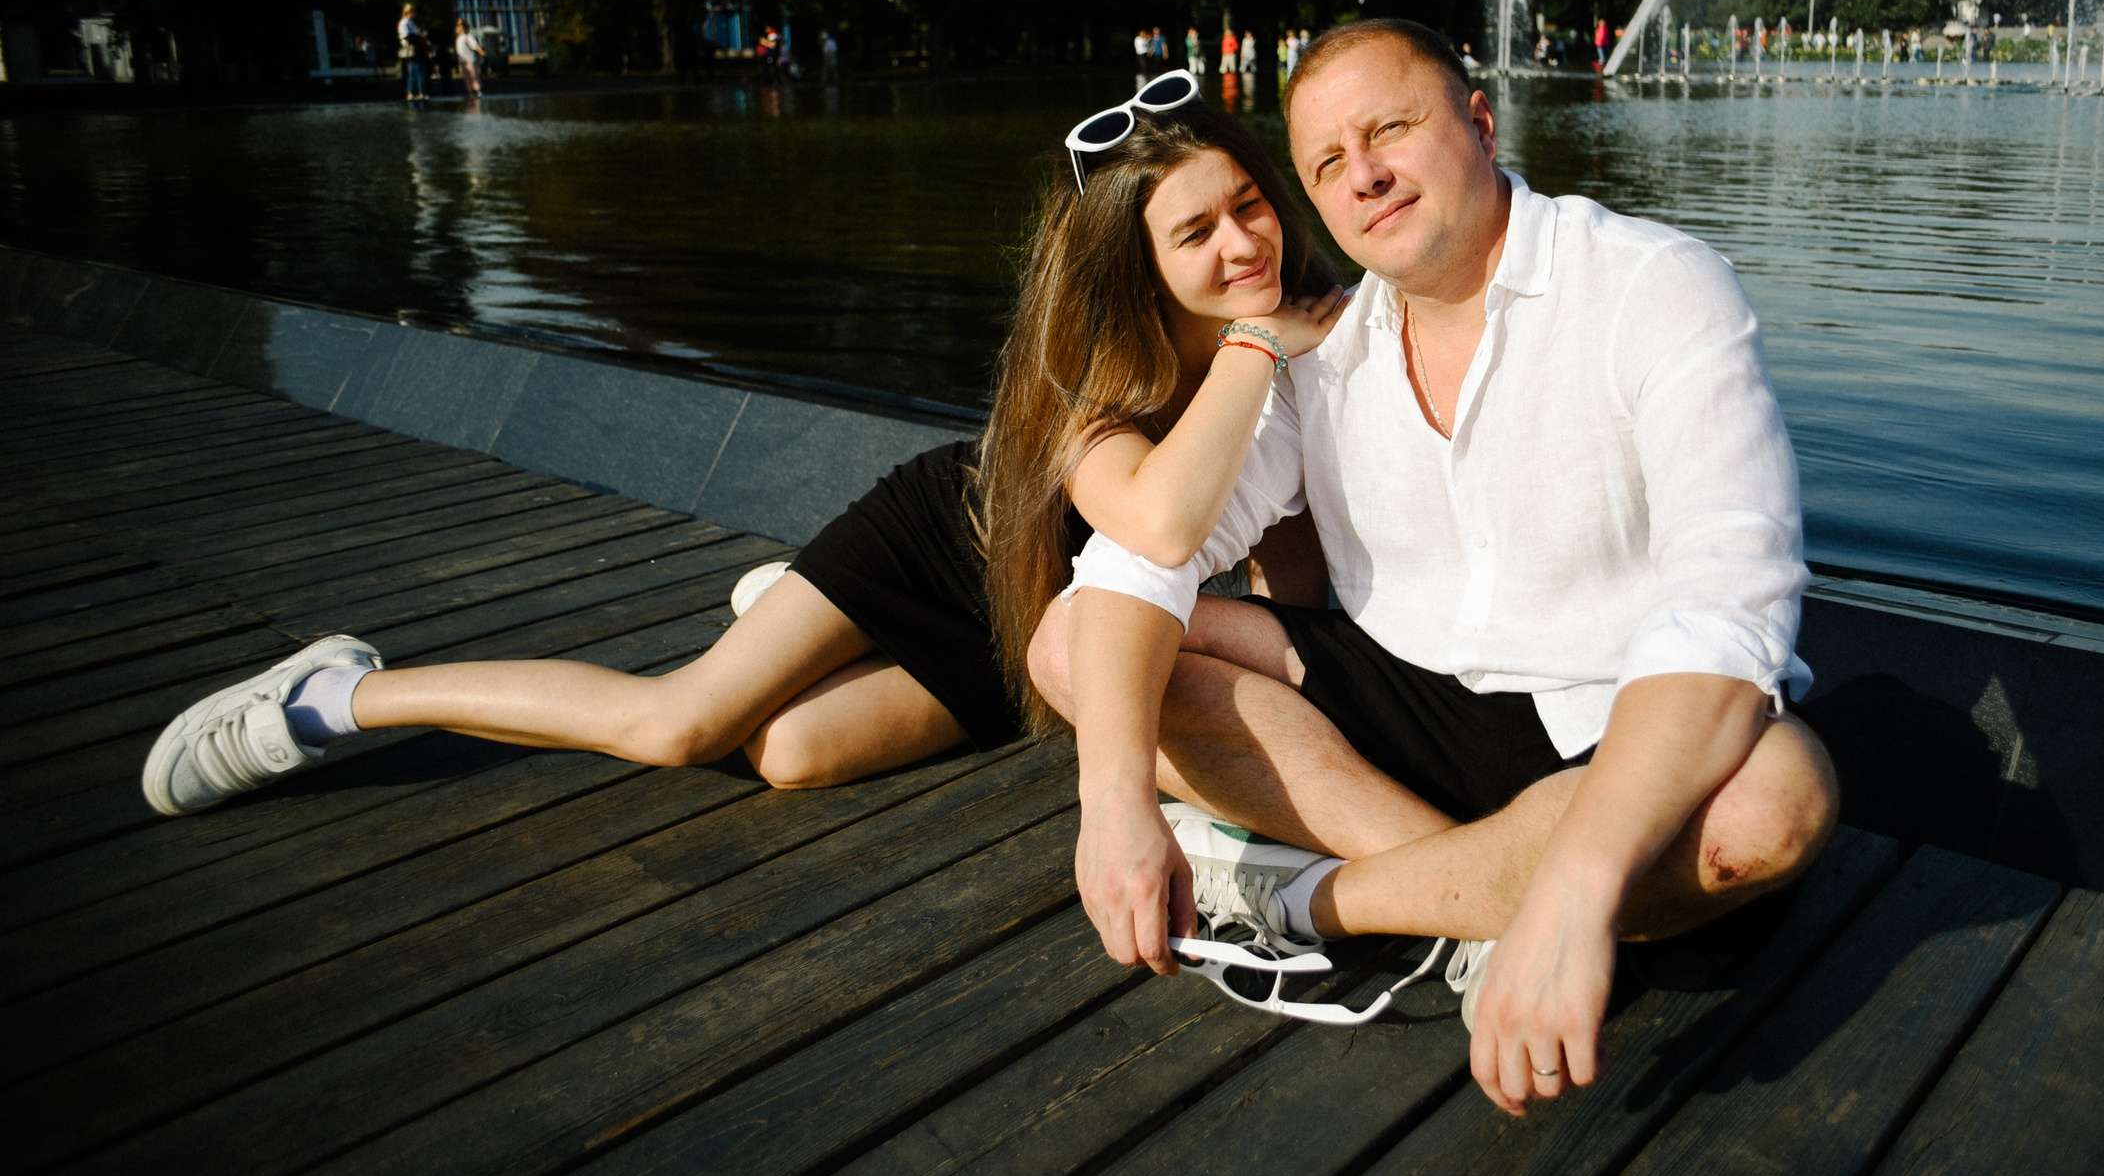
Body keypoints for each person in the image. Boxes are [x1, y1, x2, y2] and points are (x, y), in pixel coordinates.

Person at [139, 74, 1349, 824]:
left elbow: (1286, 572)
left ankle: (794, 615)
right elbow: (1156, 521)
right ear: (1135, 263)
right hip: (950, 544)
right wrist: (1260, 343)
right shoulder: (1099, 379)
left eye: (1248, 203)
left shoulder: (1298, 343)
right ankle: (336, 696)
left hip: (1033, 639)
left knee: (791, 753)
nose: (1242, 241)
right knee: (681, 724)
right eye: (1195, 229)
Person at [1034, 19, 1838, 1117]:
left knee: (1774, 799)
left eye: (1390, 129)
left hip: (1609, 713)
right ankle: (1478, 893)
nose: (1363, 174)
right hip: (1399, 696)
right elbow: (1142, 560)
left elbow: (1729, 607)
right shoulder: (1319, 346)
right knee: (1074, 639)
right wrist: (1115, 803)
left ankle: (1322, 899)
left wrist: (1573, 883)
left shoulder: (1652, 285)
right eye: (1326, 163)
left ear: (1480, 122)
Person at [397, 4, 427, 102]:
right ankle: (420, 92)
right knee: (419, 70)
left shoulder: (411, 22)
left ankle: (411, 92)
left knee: (414, 70)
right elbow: (406, 36)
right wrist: (419, 37)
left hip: (415, 47)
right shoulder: (405, 22)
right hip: (413, 48)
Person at [454, 18, 485, 99]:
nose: (459, 28)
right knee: (467, 76)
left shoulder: (467, 36)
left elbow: (474, 45)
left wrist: (480, 51)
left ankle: (477, 90)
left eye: (461, 26)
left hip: (469, 59)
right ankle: (469, 90)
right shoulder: (459, 38)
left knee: (473, 75)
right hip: (463, 59)